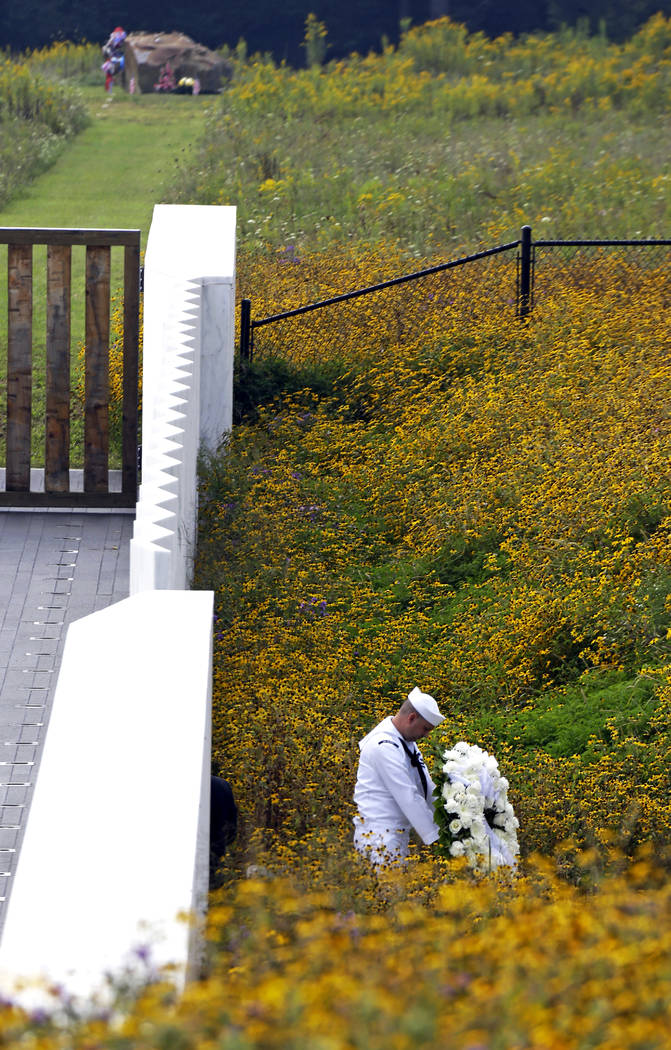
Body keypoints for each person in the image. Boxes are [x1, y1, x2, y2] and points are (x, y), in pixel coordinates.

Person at [353, 686, 444, 866]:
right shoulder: (383, 745)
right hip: (378, 837)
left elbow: (424, 784)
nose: (426, 735)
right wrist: (437, 837)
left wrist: (450, 822)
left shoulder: (405, 741)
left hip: (396, 835)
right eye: (425, 729)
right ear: (411, 718)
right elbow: (407, 794)